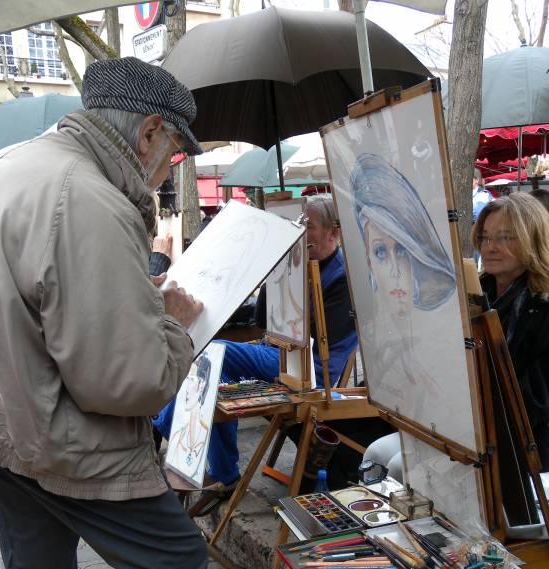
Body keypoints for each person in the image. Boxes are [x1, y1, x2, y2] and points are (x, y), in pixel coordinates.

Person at [0, 57, 231, 569]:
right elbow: (126, 381)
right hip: (63, 440)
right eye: (173, 149)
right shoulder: (86, 198)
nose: (168, 166)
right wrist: (174, 324)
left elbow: (37, 306)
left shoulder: (6, 166)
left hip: (4, 426)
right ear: (148, 131)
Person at [154, 194, 358, 494]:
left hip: (310, 369)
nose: (301, 230)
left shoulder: (341, 276)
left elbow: (321, 339)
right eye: (299, 223)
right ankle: (225, 476)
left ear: (333, 233)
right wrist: (276, 270)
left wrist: (295, 287)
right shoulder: (301, 262)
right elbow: (263, 320)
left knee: (213, 351)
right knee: (214, 378)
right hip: (279, 353)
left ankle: (165, 427)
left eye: (309, 226)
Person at [350, 153, 457, 424]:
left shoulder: (441, 340)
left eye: (402, 251)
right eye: (381, 252)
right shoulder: (377, 336)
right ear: (368, 260)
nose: (396, 272)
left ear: (417, 256)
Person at [473, 193, 549, 471]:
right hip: (471, 430)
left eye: (505, 238)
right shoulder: (476, 294)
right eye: (485, 237)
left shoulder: (542, 307)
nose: (490, 247)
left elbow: (537, 402)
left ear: (533, 241)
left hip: (524, 446)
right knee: (386, 458)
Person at [167, 351, 213, 483]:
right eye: (185, 379)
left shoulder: (205, 434)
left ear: (202, 384)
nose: (185, 387)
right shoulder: (178, 436)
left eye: (191, 379)